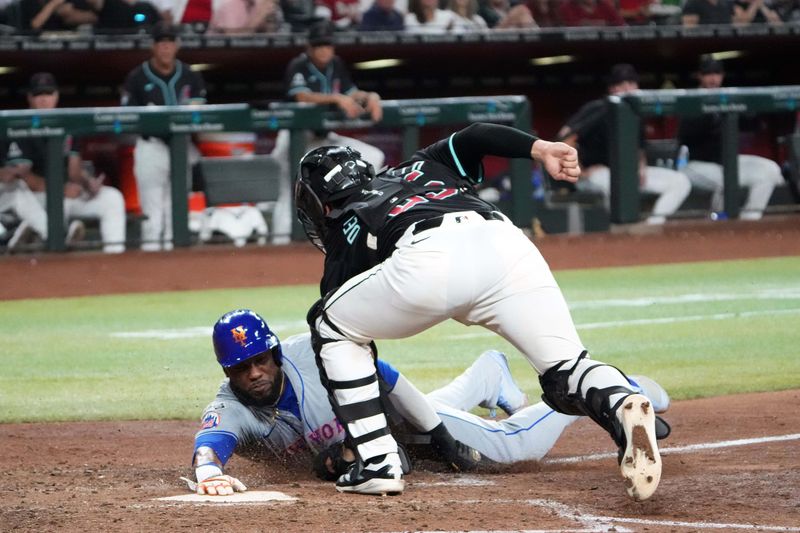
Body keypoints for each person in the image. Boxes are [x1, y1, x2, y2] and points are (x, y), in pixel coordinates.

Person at [293, 121, 664, 501]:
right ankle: (620, 401)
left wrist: (352, 440)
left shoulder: (343, 224)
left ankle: (376, 463)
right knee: (565, 368)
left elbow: (351, 335)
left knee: (330, 327)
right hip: (507, 244)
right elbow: (476, 135)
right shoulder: (422, 164)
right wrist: (540, 149)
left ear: (320, 201)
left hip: (429, 256)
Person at [190, 309, 672, 495]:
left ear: (274, 354)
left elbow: (391, 381)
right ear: (227, 372)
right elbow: (209, 444)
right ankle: (489, 374)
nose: (252, 373)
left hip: (396, 413)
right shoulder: (233, 405)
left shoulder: (316, 355)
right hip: (381, 437)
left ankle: (614, 392)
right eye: (239, 367)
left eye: (259, 361)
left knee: (509, 450)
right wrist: (209, 473)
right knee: (413, 430)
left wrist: (437, 437)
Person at [270, 19, 384, 244]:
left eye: (328, 45)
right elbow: (301, 96)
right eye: (319, 45)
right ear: (309, 48)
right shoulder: (299, 65)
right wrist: (336, 98)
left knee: (374, 156)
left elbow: (352, 93)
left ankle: (362, 222)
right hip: (295, 139)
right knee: (290, 193)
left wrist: (371, 96)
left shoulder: (337, 65)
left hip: (322, 141)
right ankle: (279, 246)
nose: (324, 50)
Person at [1, 72, 127, 253]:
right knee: (19, 190)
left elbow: (74, 171)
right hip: (36, 199)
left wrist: (87, 182)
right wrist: (61, 190)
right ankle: (56, 237)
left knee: (112, 197)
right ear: (30, 98)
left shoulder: (68, 125)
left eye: (48, 94)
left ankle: (115, 254)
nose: (44, 99)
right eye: (39, 94)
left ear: (56, 96)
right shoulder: (18, 126)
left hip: (66, 194)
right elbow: (26, 179)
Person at [557, 63, 692, 225]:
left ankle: (653, 226)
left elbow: (639, 147)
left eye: (632, 84)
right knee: (612, 183)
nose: (628, 88)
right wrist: (582, 171)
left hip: (628, 173)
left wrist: (640, 166)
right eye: (622, 84)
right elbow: (565, 140)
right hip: (598, 174)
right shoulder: (599, 109)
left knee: (680, 181)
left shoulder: (637, 112)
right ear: (612, 89)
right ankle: (621, 231)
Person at [121, 22, 207, 251]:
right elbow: (128, 116)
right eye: (161, 42)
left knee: (177, 210)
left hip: (182, 145)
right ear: (153, 46)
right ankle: (151, 264)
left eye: (170, 42)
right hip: (152, 146)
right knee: (153, 211)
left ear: (176, 45)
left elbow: (200, 110)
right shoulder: (137, 77)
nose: (166, 47)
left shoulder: (190, 75)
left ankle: (176, 266)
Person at [678, 57, 785, 220]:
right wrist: (711, 115)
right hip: (697, 164)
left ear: (722, 75)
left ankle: (750, 218)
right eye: (708, 74)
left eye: (716, 73)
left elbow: (750, 124)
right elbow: (685, 135)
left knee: (770, 170)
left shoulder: (728, 98)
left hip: (727, 161)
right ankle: (717, 221)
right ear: (699, 76)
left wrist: (749, 111)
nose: (713, 78)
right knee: (726, 180)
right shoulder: (690, 99)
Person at [207, 0, 288, 33]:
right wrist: (258, 17)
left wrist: (270, 21)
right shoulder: (230, 5)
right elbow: (235, 42)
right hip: (220, 61)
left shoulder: (259, 5)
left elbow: (271, 39)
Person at [558, 0, 626, 26]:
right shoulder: (566, 7)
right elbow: (567, 26)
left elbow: (621, 24)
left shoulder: (604, 5)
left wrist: (606, 24)